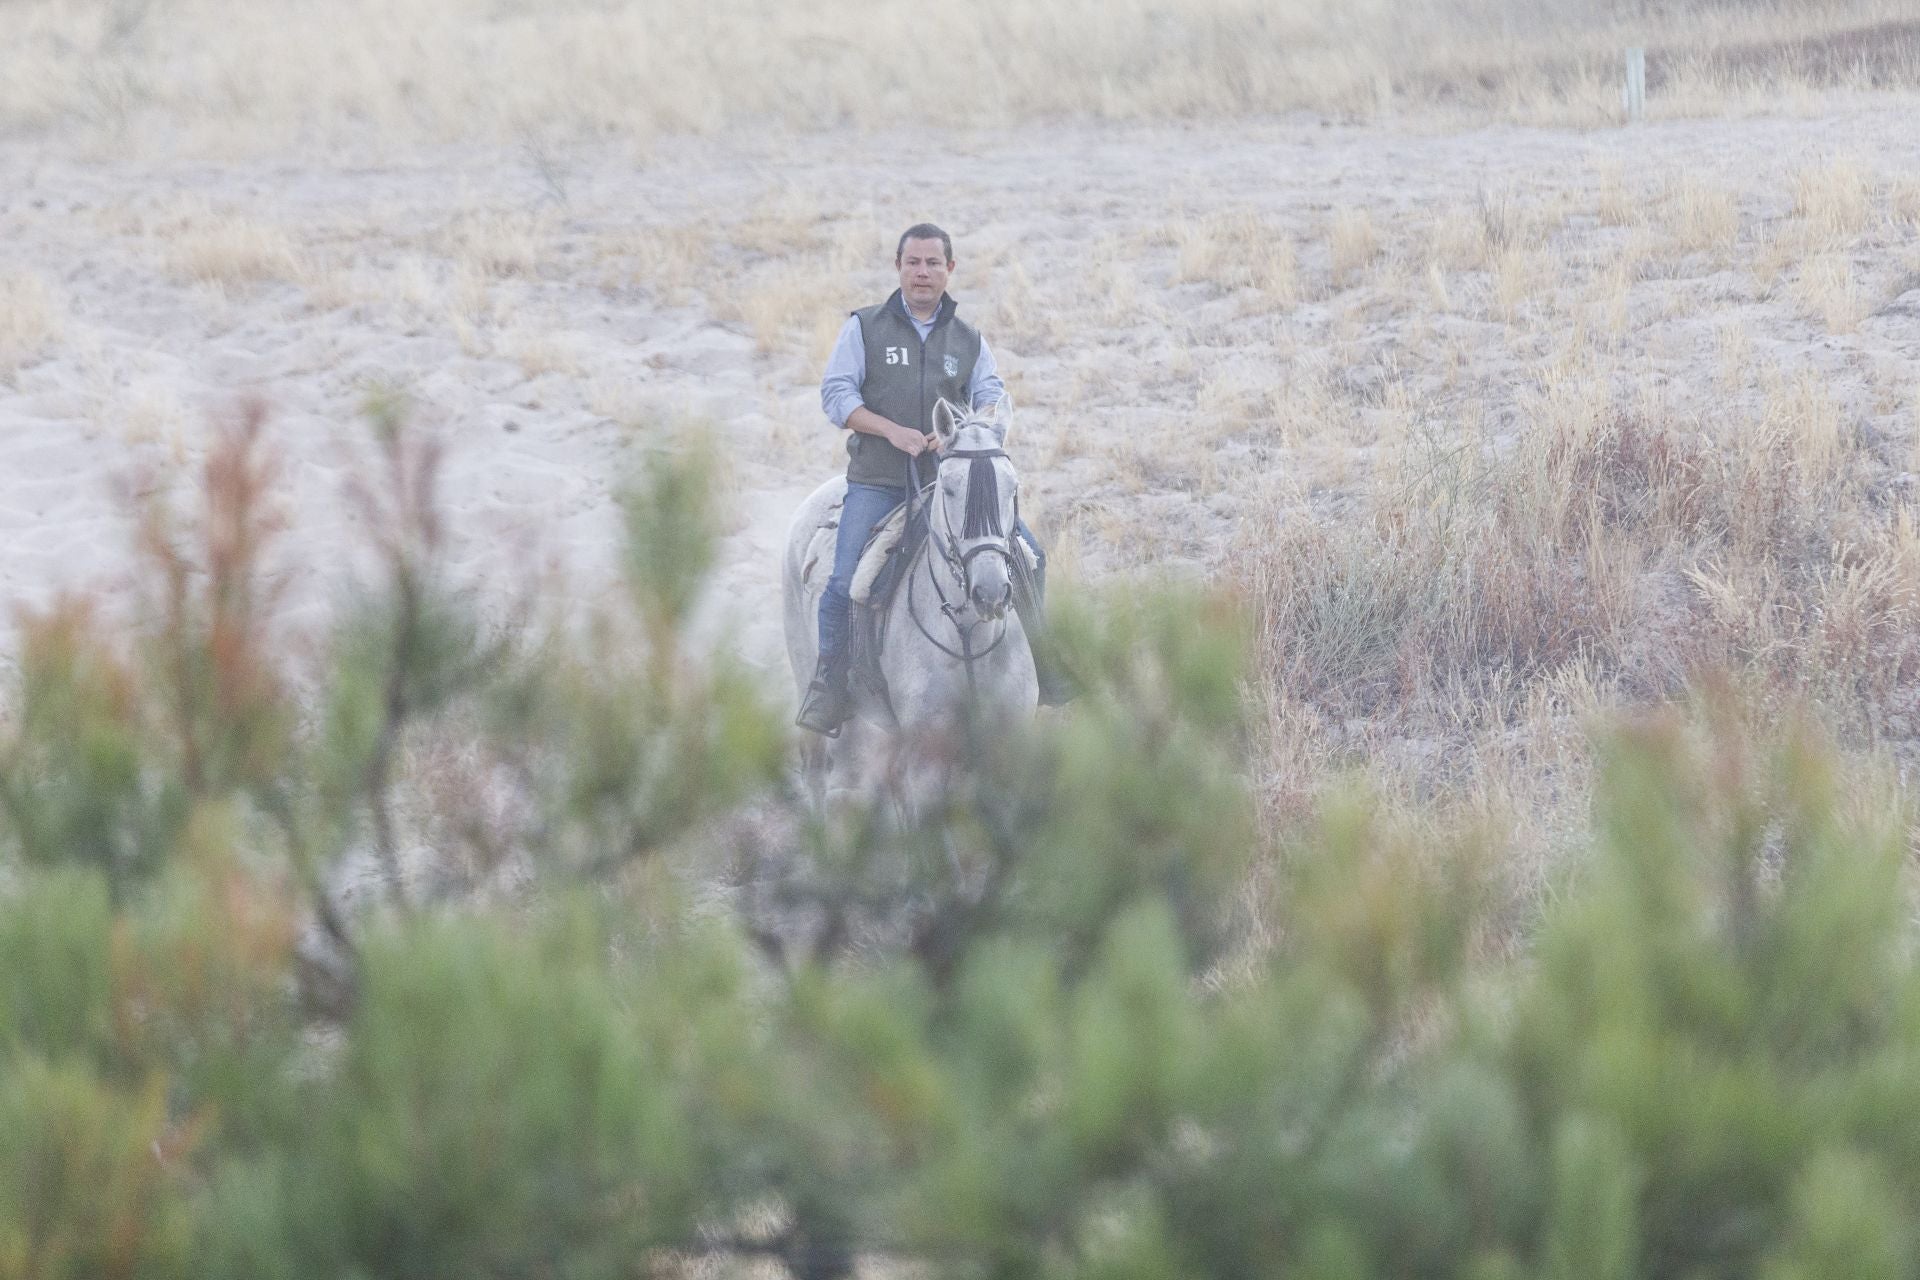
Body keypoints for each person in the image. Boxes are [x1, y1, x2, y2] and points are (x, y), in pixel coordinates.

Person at [796, 222, 1067, 736]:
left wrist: (963, 432)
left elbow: (991, 396)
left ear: (950, 269)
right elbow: (837, 396)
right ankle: (830, 685)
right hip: (879, 481)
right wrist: (891, 431)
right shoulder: (865, 328)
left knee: (1031, 556)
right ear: (898, 266)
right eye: (913, 262)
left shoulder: (967, 340)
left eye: (933, 263)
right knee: (843, 581)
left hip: (955, 485)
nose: (923, 273)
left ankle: (1045, 669)